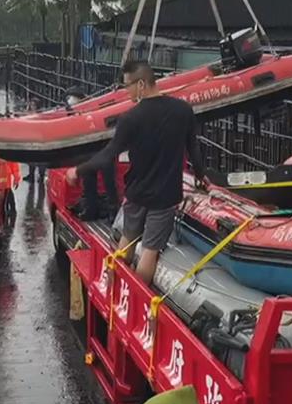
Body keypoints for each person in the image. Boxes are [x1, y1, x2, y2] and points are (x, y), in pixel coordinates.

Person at [66, 60, 208, 284]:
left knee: (127, 240)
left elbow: (108, 154)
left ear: (141, 84)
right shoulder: (183, 110)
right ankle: (136, 299)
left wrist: (78, 170)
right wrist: (201, 176)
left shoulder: (130, 118)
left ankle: (113, 288)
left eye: (128, 86)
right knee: (150, 251)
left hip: (136, 192)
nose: (126, 91)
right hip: (165, 196)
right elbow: (193, 149)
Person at [64, 88, 119, 221]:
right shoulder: (73, 114)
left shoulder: (94, 110)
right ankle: (91, 209)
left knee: (108, 180)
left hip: (103, 148)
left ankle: (113, 210)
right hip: (88, 149)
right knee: (89, 180)